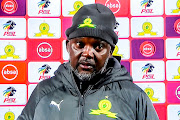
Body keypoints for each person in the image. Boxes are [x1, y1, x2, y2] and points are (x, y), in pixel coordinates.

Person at [17, 3, 159, 120]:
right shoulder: (44, 92)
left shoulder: (134, 98)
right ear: (68, 46)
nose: (87, 53)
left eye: (98, 46)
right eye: (79, 44)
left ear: (110, 52)